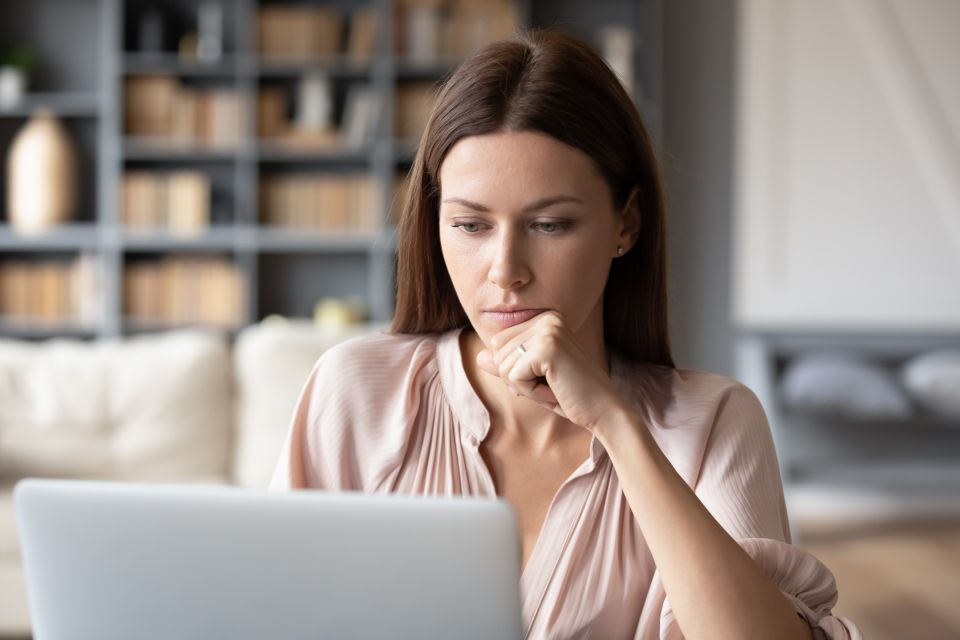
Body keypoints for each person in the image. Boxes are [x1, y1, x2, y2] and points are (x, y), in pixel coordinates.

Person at [270, 29, 863, 640]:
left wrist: (615, 423)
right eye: (471, 225)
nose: (505, 270)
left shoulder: (716, 422)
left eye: (550, 224)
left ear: (625, 226)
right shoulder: (357, 392)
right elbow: (266, 612)